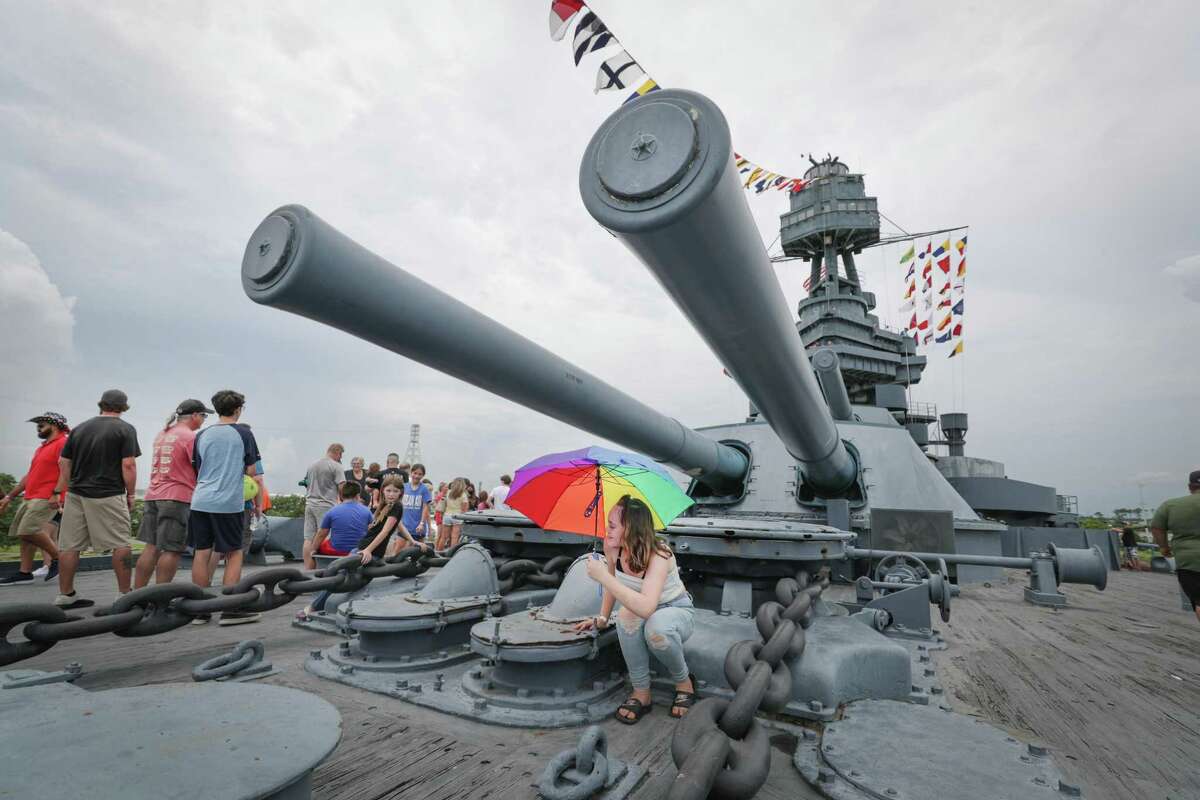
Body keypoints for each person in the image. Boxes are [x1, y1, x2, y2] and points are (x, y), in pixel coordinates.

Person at [575, 495, 696, 724]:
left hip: (676, 610)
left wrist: (602, 576)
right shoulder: (612, 548)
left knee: (657, 628)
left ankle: (684, 682)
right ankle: (642, 692)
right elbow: (612, 587)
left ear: (631, 528)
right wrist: (601, 618)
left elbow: (648, 607)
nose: (607, 530)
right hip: (642, 609)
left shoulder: (660, 554)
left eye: (612, 525)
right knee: (625, 616)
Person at [51, 390, 141, 609]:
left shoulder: (80, 428)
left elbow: (63, 462)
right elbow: (128, 465)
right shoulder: (125, 429)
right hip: (108, 493)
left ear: (101, 404)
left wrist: (73, 484)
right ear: (123, 407)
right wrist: (130, 494)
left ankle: (66, 595)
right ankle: (124, 594)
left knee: (69, 545)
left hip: (76, 494)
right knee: (121, 544)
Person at [187, 390, 261, 626]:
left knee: (202, 551)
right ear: (238, 409)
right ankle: (231, 609)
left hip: (200, 499)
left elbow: (197, 467)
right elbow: (251, 471)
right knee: (234, 551)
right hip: (227, 503)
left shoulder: (202, 434)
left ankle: (200, 610)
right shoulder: (244, 433)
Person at [133, 400, 211, 588]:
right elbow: (200, 467)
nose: (203, 420)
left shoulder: (163, 433)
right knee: (172, 549)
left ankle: (138, 594)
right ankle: (161, 598)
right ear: (194, 415)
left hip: (153, 495)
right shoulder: (190, 437)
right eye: (203, 416)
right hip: (176, 497)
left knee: (151, 547)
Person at [0, 412, 69, 585]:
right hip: (31, 496)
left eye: (42, 423)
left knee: (28, 530)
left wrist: (57, 493)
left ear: (55, 425)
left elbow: (67, 470)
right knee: (25, 536)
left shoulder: (63, 443)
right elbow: (30, 475)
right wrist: (9, 496)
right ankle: (25, 573)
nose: (38, 426)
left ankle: (58, 559)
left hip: (47, 495)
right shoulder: (42, 447)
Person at [1150, 470, 1200, 625]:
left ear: (1190, 486)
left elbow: (1157, 528)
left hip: (1188, 561)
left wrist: (1164, 548)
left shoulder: (1170, 505)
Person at [356, 476, 429, 563]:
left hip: (371, 550)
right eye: (388, 490)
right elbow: (399, 524)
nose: (391, 494)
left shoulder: (396, 506)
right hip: (367, 546)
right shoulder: (385, 504)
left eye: (395, 491)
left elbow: (385, 532)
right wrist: (412, 541)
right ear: (383, 490)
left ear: (400, 493)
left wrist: (368, 550)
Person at [302, 443, 345, 570]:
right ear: (338, 452)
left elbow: (306, 483)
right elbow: (342, 487)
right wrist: (344, 501)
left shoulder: (312, 465)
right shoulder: (336, 466)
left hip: (310, 504)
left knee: (308, 538)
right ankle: (324, 569)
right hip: (326, 505)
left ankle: (308, 570)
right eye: (341, 455)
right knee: (325, 537)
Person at [388, 463, 432, 555]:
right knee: (398, 549)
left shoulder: (424, 489)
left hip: (418, 527)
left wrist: (422, 523)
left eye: (420, 474)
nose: (417, 476)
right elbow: (397, 503)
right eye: (415, 473)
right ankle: (393, 567)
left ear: (423, 475)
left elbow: (425, 508)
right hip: (404, 525)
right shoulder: (404, 487)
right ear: (411, 473)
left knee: (418, 551)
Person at [438, 478, 470, 550]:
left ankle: (438, 552)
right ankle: (451, 555)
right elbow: (464, 510)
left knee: (443, 537)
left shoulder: (448, 492)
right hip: (457, 517)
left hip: (447, 515)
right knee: (454, 537)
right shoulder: (463, 495)